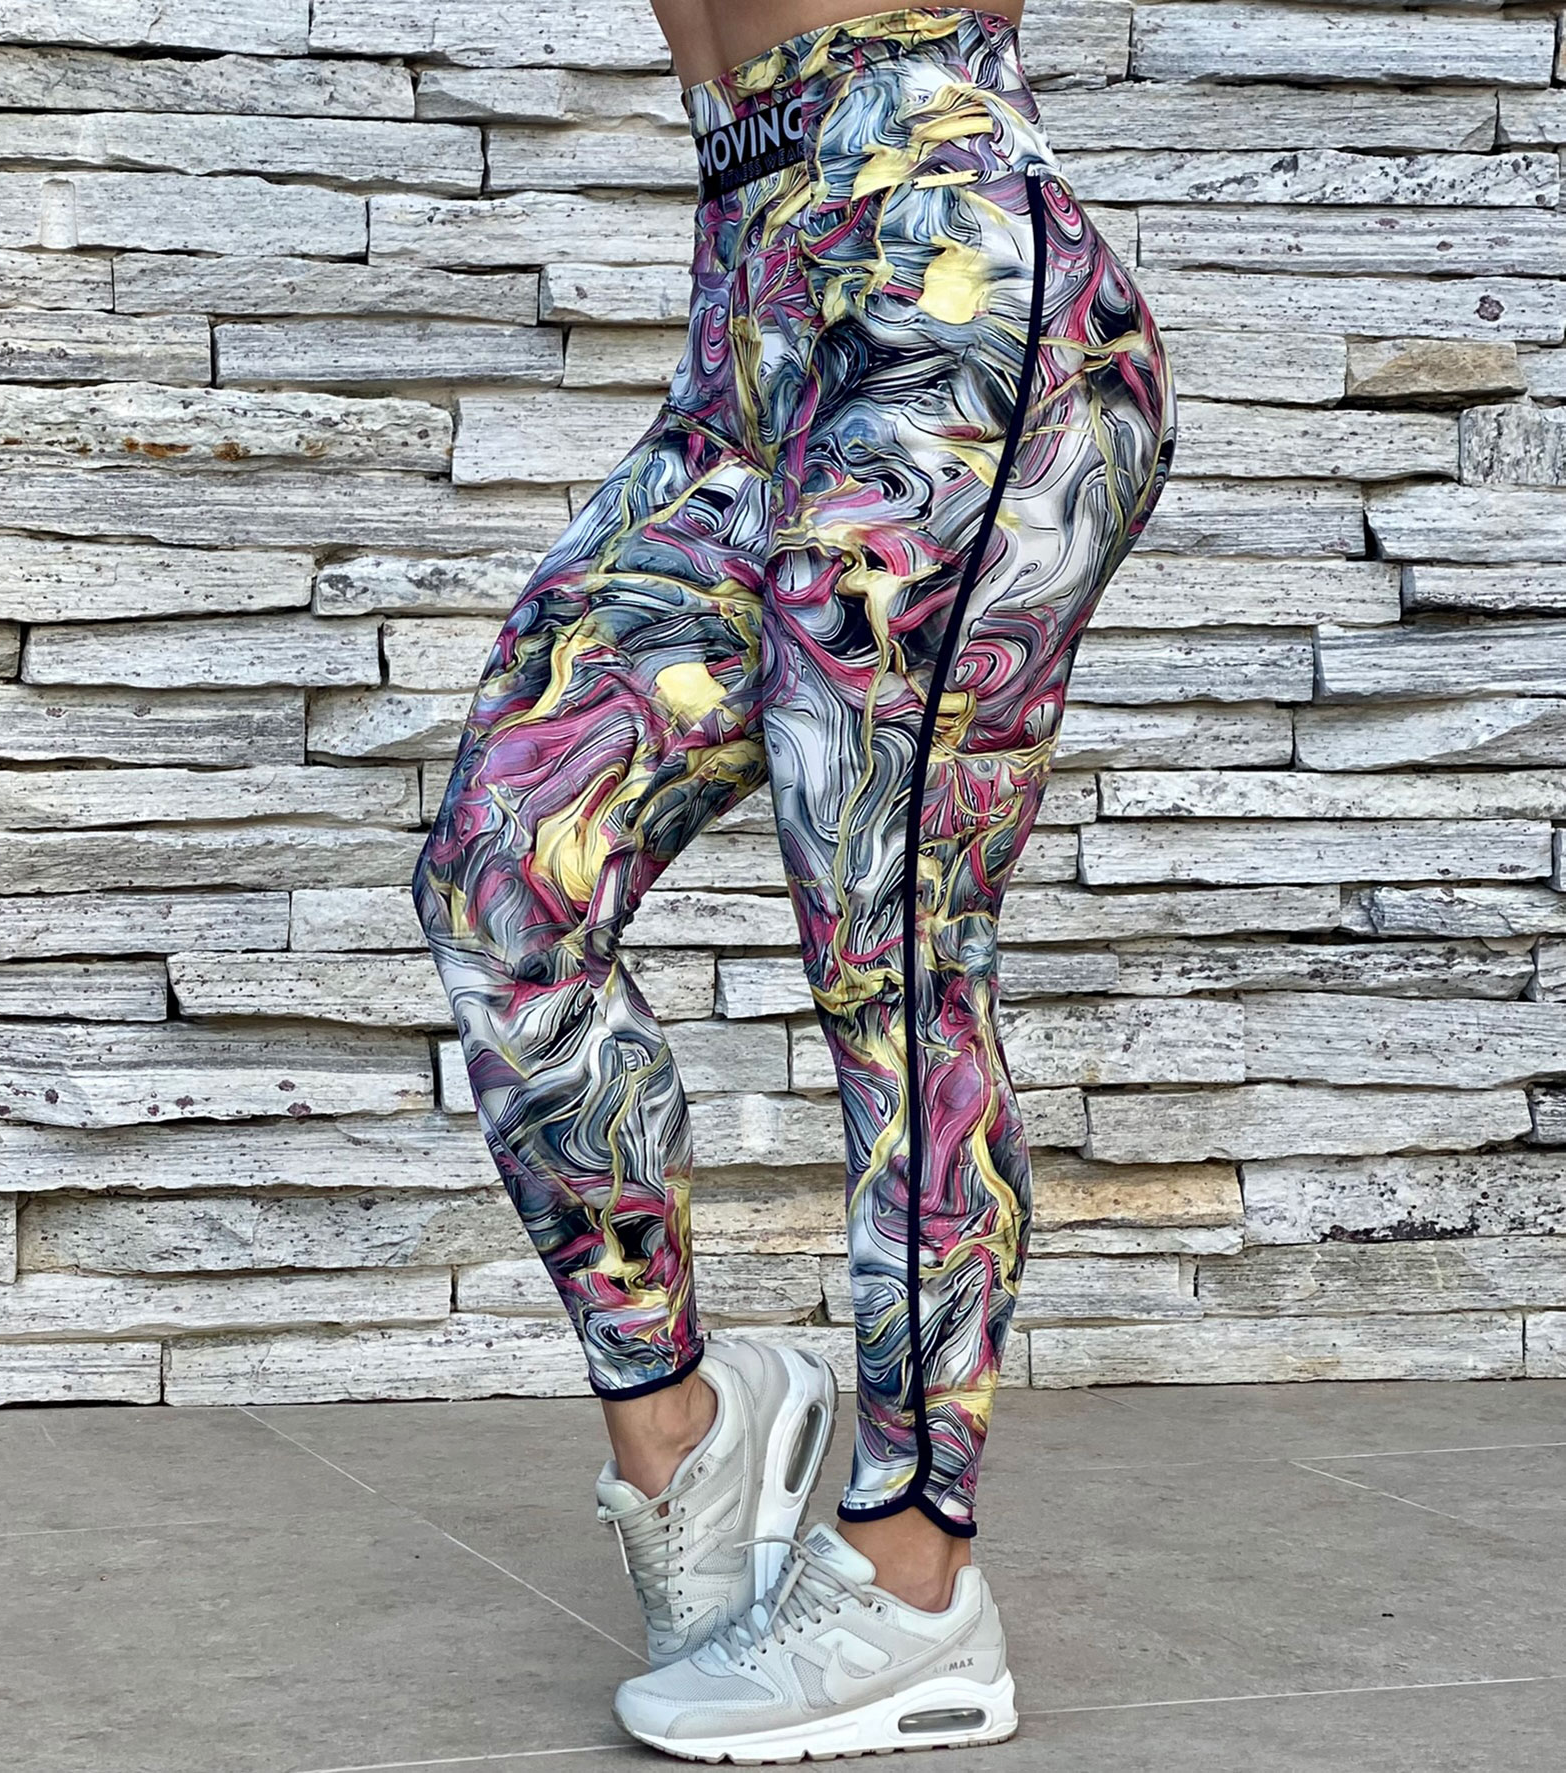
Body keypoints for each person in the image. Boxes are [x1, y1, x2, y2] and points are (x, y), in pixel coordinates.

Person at [416, 3, 1175, 1758]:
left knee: (889, 955)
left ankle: (915, 1575)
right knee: (502, 876)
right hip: (745, 313)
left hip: (947, 291)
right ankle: (680, 1425)